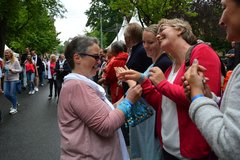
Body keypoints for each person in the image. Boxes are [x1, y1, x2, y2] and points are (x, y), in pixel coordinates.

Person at [117, 18, 222, 159]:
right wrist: (141, 79)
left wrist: (161, 84)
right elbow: (161, 104)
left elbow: (201, 99)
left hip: (192, 153)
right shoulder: (170, 69)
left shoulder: (201, 51)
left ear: (180, 30)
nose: (158, 35)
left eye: (162, 30)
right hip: (168, 150)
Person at [57, 35, 142, 160]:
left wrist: (129, 95)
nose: (99, 61)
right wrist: (129, 100)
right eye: (96, 57)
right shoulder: (77, 86)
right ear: (77, 58)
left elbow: (105, 113)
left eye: (100, 57)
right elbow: (106, 125)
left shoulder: (80, 84)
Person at [183, 0, 240, 159]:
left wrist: (197, 95)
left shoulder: (201, 51)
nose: (221, 20)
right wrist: (210, 98)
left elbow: (232, 147)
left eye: (224, 7)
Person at [125, 24, 172, 160]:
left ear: (160, 41)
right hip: (146, 121)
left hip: (153, 123)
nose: (145, 46)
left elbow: (144, 91)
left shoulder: (163, 63)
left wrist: (129, 78)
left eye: (150, 42)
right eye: (144, 42)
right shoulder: (154, 63)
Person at [2, 49, 22, 114]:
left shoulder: (15, 61)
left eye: (7, 53)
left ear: (11, 54)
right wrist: (3, 72)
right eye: (5, 53)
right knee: (6, 94)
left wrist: (13, 70)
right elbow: (4, 70)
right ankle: (15, 102)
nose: (6, 54)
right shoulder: (4, 61)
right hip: (6, 79)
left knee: (12, 94)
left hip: (14, 79)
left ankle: (14, 108)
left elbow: (20, 70)